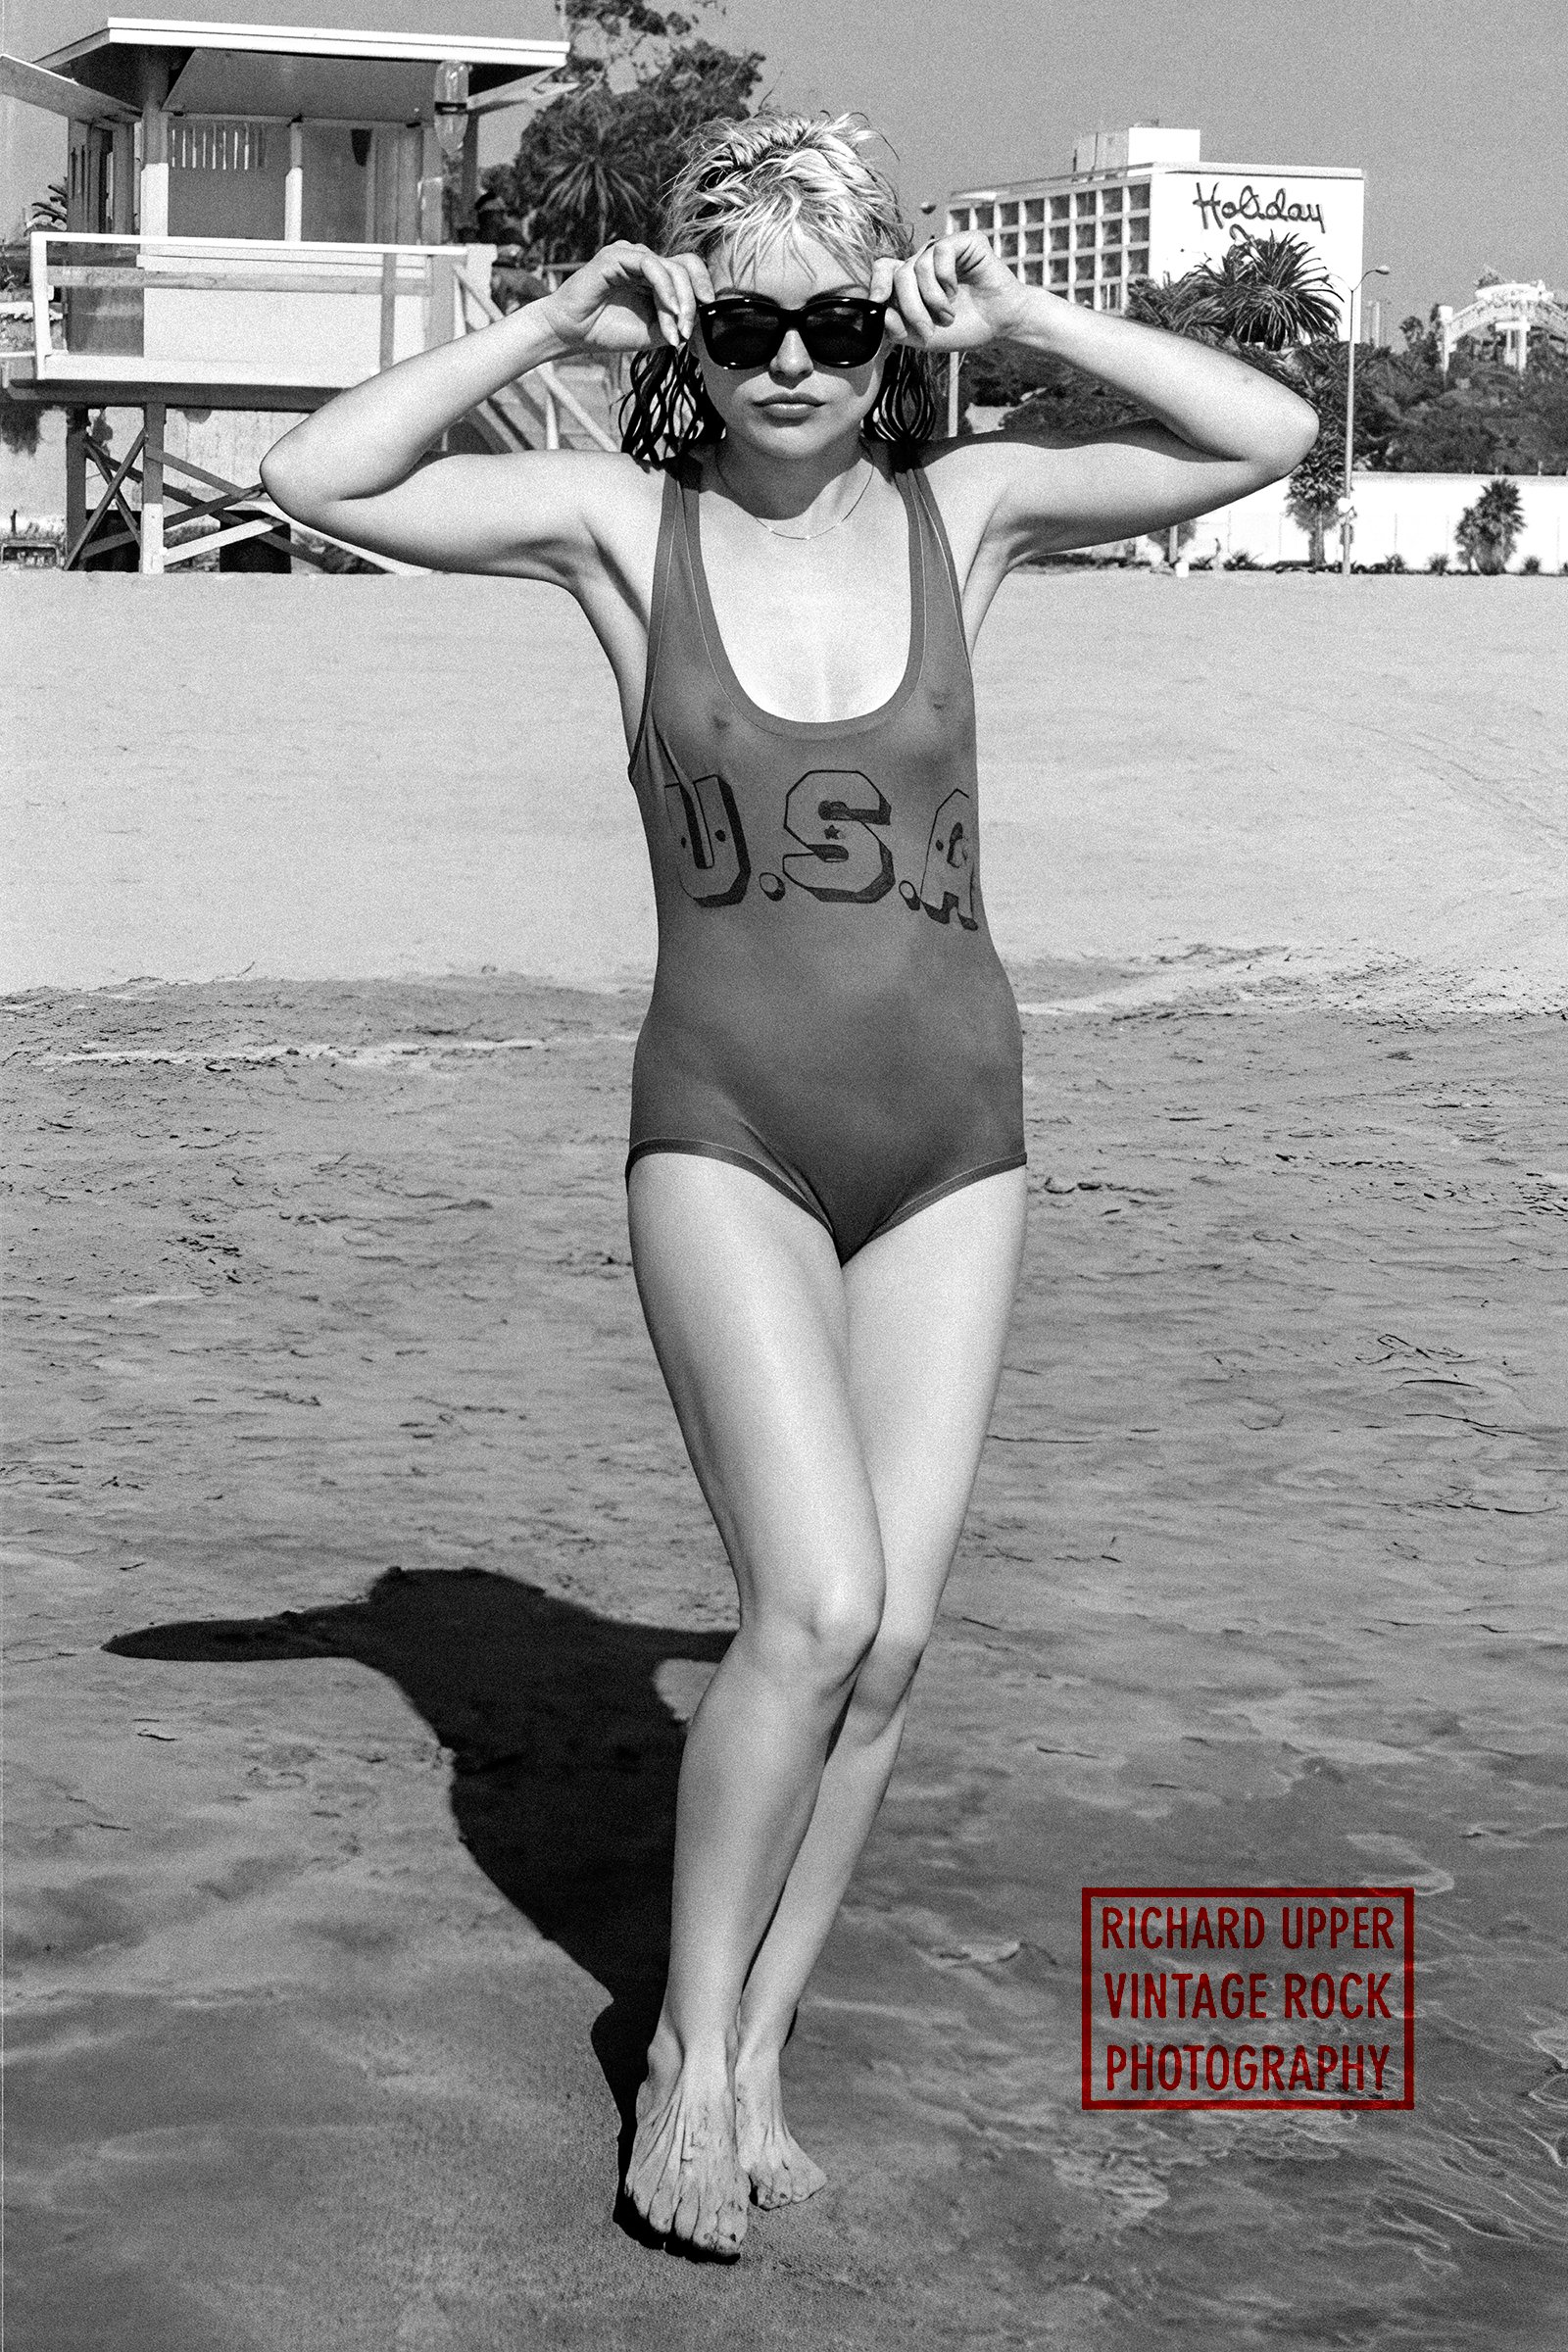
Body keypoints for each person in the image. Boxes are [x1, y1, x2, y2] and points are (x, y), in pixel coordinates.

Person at [260, 112, 1316, 2256]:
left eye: (835, 322)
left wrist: (1022, 320)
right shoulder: (617, 531)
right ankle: (673, 2055)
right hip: (725, 1134)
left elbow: (1267, 433)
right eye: (745, 326)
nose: (793, 365)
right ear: (696, 334)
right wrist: (553, 318)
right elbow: (315, 477)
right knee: (812, 1605)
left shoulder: (970, 512)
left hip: (955, 1145)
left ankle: (749, 2055)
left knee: (892, 1642)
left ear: (884, 332)